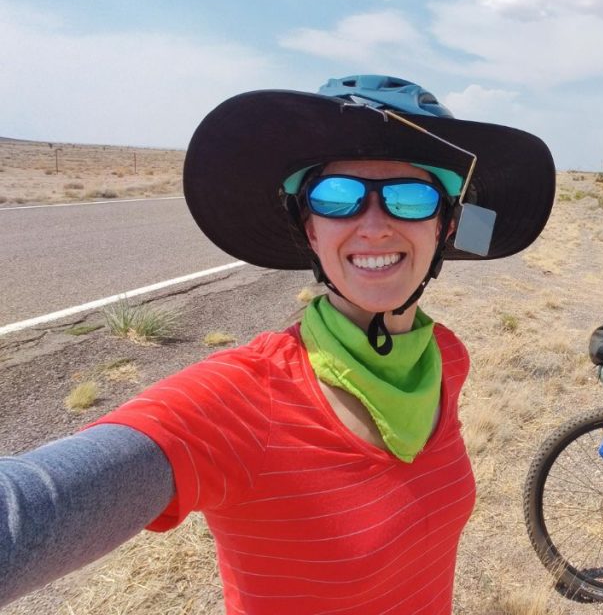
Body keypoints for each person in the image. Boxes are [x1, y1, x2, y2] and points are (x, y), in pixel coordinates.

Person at [0, 74, 556, 614]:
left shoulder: (444, 358)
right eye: (337, 197)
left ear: (447, 225)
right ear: (310, 227)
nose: (373, 224)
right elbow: (30, 505)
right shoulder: (241, 398)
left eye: (411, 198)